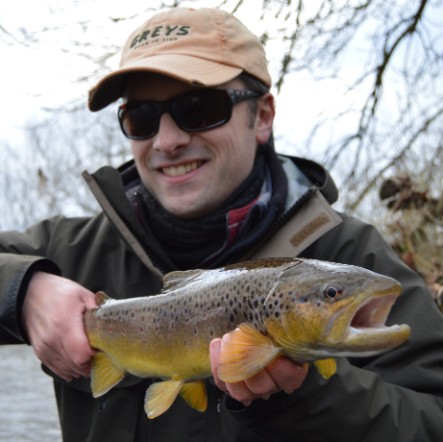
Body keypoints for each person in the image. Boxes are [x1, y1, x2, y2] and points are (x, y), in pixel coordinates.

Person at [1, 7, 442, 442]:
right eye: (142, 118)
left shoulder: (348, 254)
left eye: (199, 107)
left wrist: (303, 396)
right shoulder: (68, 250)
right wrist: (22, 292)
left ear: (263, 116)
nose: (168, 140)